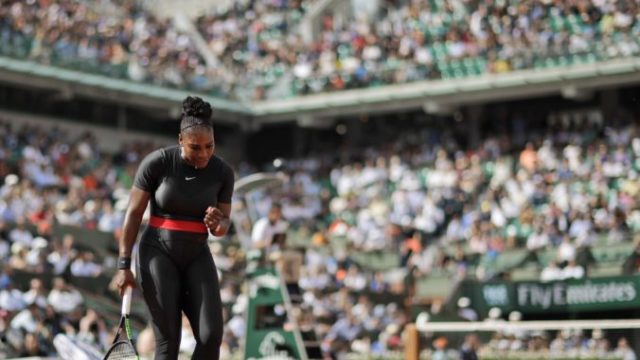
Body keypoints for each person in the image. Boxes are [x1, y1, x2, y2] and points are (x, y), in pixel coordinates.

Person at [113, 96, 235, 360]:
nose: (203, 153)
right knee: (169, 340)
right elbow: (134, 215)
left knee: (211, 336)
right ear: (181, 139)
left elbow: (223, 225)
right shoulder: (157, 163)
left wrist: (219, 224)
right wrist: (124, 265)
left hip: (197, 253)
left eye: (209, 146)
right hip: (157, 252)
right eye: (195, 147)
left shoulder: (223, 172)